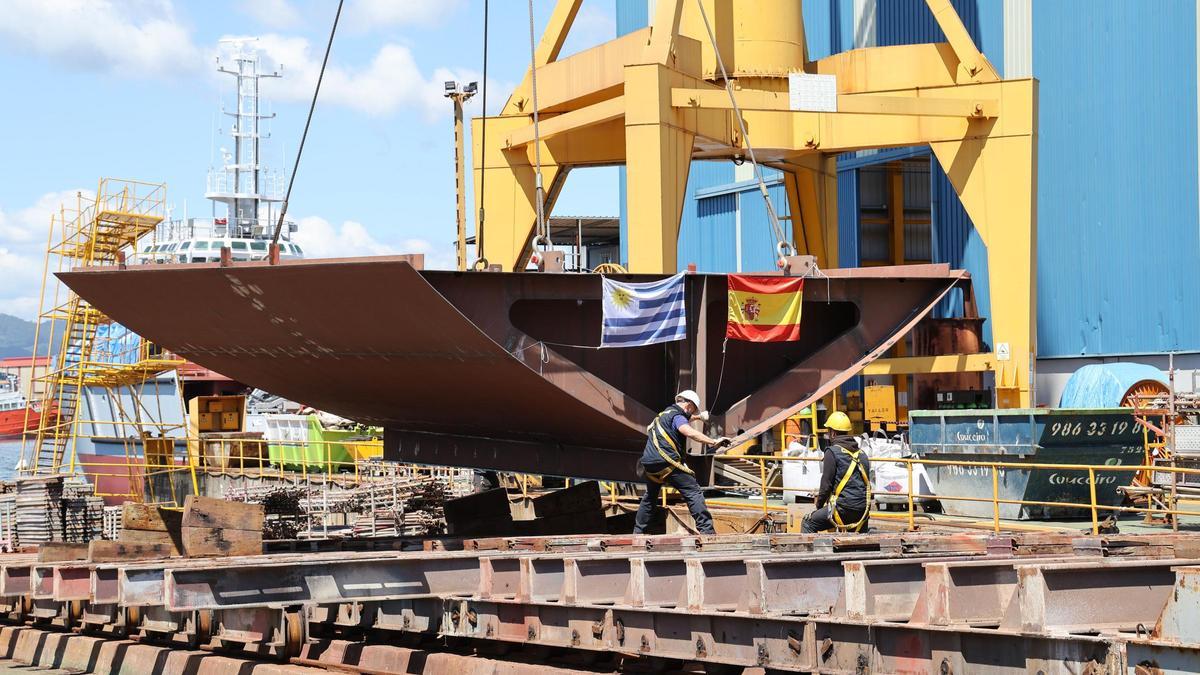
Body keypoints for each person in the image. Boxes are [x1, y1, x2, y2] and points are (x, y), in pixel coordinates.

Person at [633, 389, 731, 535]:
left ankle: (638, 532)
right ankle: (707, 533)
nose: (692, 413)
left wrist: (698, 417)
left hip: (650, 464)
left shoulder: (664, 414)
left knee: (650, 497)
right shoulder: (678, 417)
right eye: (692, 410)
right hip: (667, 461)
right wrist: (713, 441)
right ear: (689, 405)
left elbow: (682, 418)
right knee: (693, 492)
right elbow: (686, 429)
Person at [801, 411, 872, 533]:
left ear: (832, 433)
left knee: (808, 523)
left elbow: (826, 484)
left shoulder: (832, 452)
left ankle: (812, 552)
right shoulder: (862, 454)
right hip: (862, 511)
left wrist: (819, 506)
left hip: (843, 509)